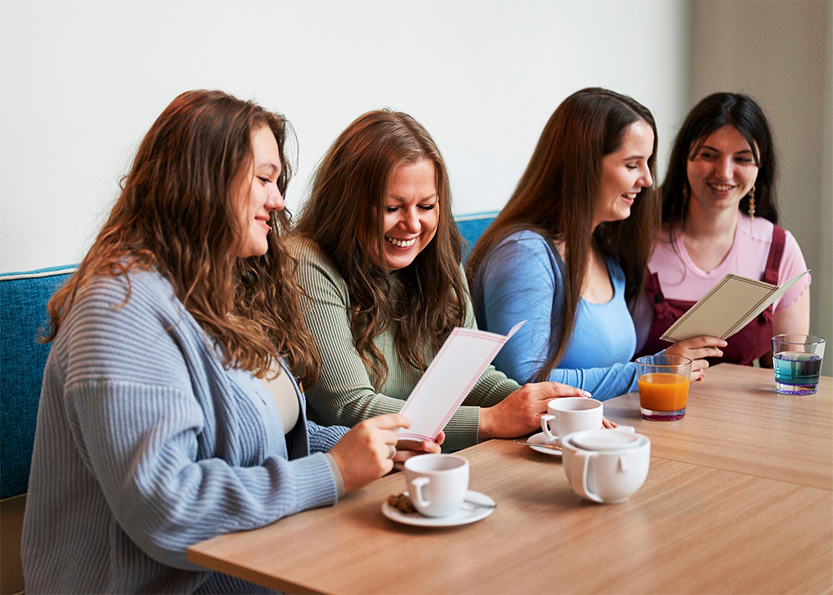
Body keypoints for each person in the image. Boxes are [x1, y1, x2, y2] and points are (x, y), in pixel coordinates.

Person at [21, 90, 440, 594]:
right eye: (264, 179)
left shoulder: (219, 290)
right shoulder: (120, 310)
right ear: (202, 184)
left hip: (271, 564)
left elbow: (259, 442)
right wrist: (331, 472)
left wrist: (374, 449)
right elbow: (168, 510)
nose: (278, 199)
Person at [290, 109, 596, 453]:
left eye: (427, 205)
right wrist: (491, 420)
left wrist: (547, 409)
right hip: (355, 474)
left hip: (427, 460)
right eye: (392, 208)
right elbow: (348, 408)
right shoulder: (306, 262)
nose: (413, 225)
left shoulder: (435, 256)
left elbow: (472, 378)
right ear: (346, 206)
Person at [467, 88, 725, 400]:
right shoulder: (525, 254)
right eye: (632, 165)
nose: (647, 180)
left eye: (648, 163)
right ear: (583, 166)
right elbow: (526, 382)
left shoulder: (603, 247)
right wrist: (654, 369)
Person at [631, 92, 810, 364]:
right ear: (684, 158)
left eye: (742, 159)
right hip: (646, 405)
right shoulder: (637, 238)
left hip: (742, 409)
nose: (724, 173)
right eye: (709, 155)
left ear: (761, 167)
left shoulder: (779, 249)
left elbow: (788, 380)